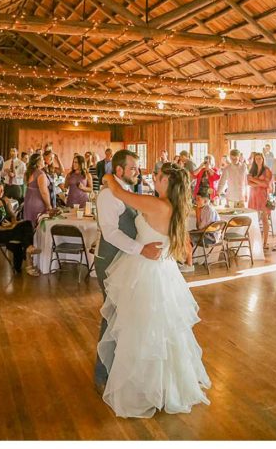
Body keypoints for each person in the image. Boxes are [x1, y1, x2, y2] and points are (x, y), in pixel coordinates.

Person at [95, 155, 210, 417]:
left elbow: (115, 190)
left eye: (157, 176)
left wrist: (106, 174)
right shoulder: (173, 205)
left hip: (146, 271)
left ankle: (143, 386)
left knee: (140, 328)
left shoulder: (154, 204)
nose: (150, 177)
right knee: (162, 329)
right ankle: (165, 384)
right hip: (163, 272)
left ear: (168, 181)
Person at [0, 181, 40, 275]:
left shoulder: (5, 200)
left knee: (27, 224)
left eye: (3, 190)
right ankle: (29, 257)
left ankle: (28, 250)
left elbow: (13, 216)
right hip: (0, 233)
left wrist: (12, 223)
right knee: (23, 234)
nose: (2, 192)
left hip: (10, 228)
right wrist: (9, 228)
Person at [246, 153, 273, 251]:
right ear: (254, 160)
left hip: (263, 197)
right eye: (256, 158)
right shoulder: (252, 170)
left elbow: (266, 184)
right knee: (253, 220)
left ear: (263, 159)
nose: (258, 160)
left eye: (260, 158)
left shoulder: (266, 170)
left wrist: (254, 180)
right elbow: (248, 183)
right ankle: (254, 241)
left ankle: (265, 242)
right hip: (253, 197)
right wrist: (259, 183)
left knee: (264, 219)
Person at [22, 153, 54, 225]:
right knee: (38, 224)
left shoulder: (28, 173)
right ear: (38, 162)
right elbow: (44, 192)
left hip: (28, 201)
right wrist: (49, 205)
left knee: (29, 224)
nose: (44, 161)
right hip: (38, 201)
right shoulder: (40, 174)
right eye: (42, 159)